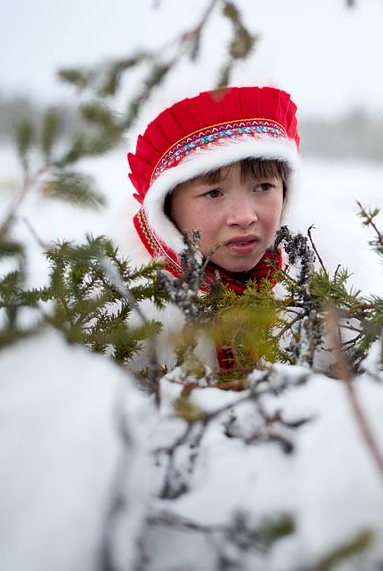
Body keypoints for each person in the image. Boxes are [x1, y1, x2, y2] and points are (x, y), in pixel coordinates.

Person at [120, 85, 301, 373]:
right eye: (214, 193)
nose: (244, 217)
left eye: (264, 187)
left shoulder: (319, 305)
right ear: (167, 208)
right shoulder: (129, 324)